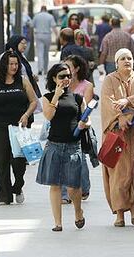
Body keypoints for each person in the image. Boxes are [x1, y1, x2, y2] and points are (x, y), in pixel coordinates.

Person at [100, 48, 134, 227]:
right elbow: (107, 101)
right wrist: (121, 118)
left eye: (129, 58)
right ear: (116, 63)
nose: (127, 61)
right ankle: (120, 214)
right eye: (122, 58)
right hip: (116, 133)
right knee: (119, 173)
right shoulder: (109, 79)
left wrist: (128, 103)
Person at [36, 63, 90, 231]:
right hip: (54, 145)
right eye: (62, 76)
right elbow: (49, 115)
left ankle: (78, 211)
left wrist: (85, 123)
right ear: (54, 78)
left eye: (68, 76)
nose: (66, 79)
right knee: (55, 185)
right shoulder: (47, 97)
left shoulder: (77, 98)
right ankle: (57, 223)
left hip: (73, 146)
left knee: (74, 187)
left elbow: (87, 118)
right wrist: (56, 97)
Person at [0, 51, 37, 205]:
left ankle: (18, 186)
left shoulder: (23, 81)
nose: (14, 67)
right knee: (1, 162)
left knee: (19, 163)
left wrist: (26, 115)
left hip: (19, 127)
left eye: (16, 64)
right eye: (11, 64)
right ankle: (5, 195)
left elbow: (33, 101)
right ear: (4, 65)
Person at [62, 55, 94, 203]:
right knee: (62, 159)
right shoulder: (62, 83)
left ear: (76, 69)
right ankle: (64, 194)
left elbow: (86, 108)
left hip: (79, 126)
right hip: (62, 126)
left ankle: (84, 188)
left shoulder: (87, 86)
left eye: (69, 67)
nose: (66, 69)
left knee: (78, 158)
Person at [5, 35, 42, 99]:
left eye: (26, 43)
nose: (25, 45)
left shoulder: (22, 56)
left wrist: (32, 76)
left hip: (27, 87)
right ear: (15, 43)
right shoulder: (7, 56)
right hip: (17, 89)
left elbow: (25, 70)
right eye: (23, 43)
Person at [32, 5, 58, 75]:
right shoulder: (50, 16)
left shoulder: (36, 16)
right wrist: (57, 35)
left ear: (41, 9)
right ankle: (46, 69)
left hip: (38, 34)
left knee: (40, 53)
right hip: (47, 35)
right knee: (46, 53)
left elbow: (32, 25)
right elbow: (53, 26)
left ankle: (40, 69)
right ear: (46, 9)